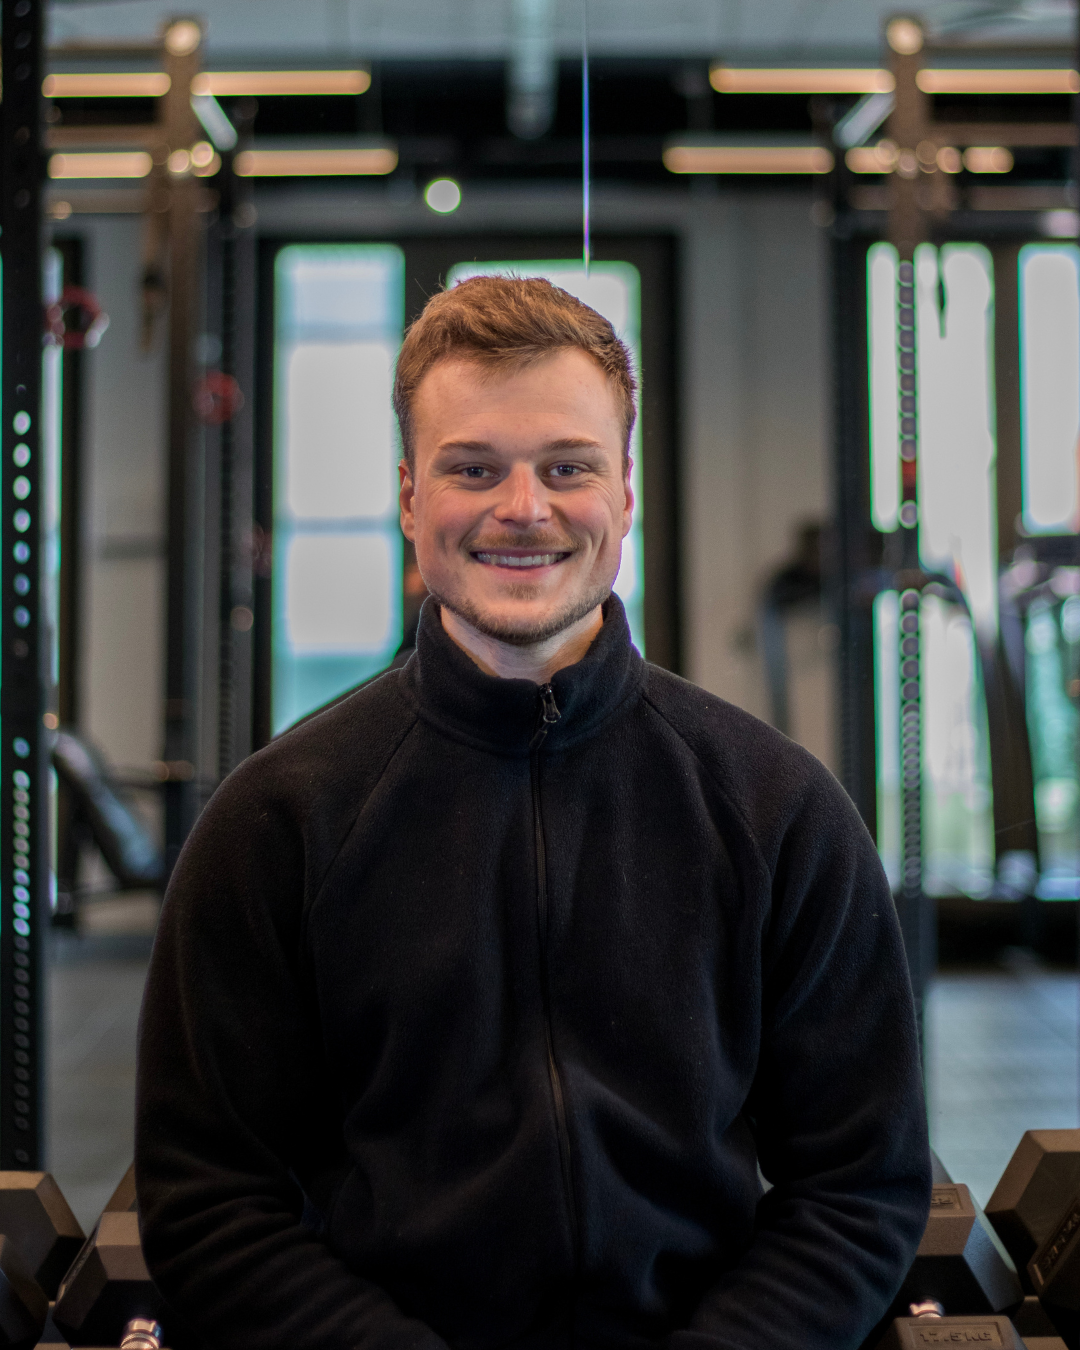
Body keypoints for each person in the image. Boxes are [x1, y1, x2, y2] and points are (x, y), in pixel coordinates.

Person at [135, 276, 931, 1350]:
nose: (524, 507)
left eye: (568, 467)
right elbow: (209, 1205)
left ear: (626, 492)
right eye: (473, 468)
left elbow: (860, 1186)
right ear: (412, 496)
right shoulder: (278, 823)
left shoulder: (776, 810)